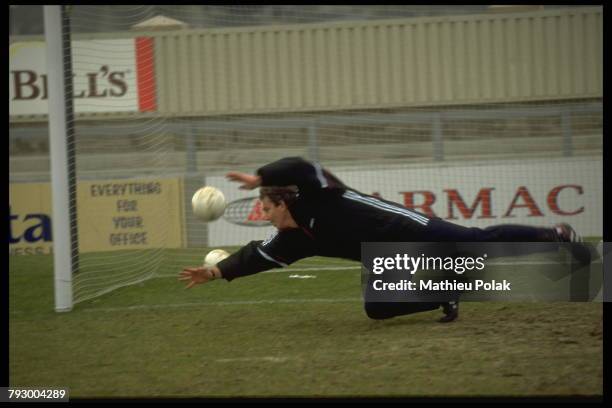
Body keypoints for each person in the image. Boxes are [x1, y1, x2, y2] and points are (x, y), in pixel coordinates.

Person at [179, 157, 582, 323]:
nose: (261, 214)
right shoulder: (293, 239)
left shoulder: (319, 194)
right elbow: (255, 256)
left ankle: (555, 236)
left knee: (477, 241)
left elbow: (303, 165)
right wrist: (214, 272)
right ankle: (447, 290)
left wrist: (261, 176)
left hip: (405, 228)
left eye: (265, 207)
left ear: (281, 202)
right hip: (385, 256)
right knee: (378, 307)